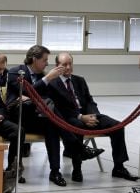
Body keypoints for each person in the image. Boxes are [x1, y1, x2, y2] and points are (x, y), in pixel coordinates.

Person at [48, 53, 138, 182]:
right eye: (64, 65)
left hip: (88, 115)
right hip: (70, 118)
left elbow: (90, 100)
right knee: (77, 126)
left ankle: (119, 167)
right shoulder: (52, 84)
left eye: (70, 64)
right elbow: (59, 109)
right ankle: (77, 169)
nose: (68, 67)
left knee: (117, 126)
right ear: (57, 66)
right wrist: (81, 117)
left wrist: (93, 115)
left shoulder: (79, 80)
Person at [6, 45, 88, 187]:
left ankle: (55, 171)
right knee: (51, 115)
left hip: (38, 116)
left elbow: (41, 97)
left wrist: (33, 96)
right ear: (34, 59)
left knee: (52, 125)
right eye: (44, 60)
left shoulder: (41, 76)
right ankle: (77, 146)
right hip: (19, 116)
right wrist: (46, 79)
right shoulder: (16, 72)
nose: (47, 63)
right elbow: (25, 91)